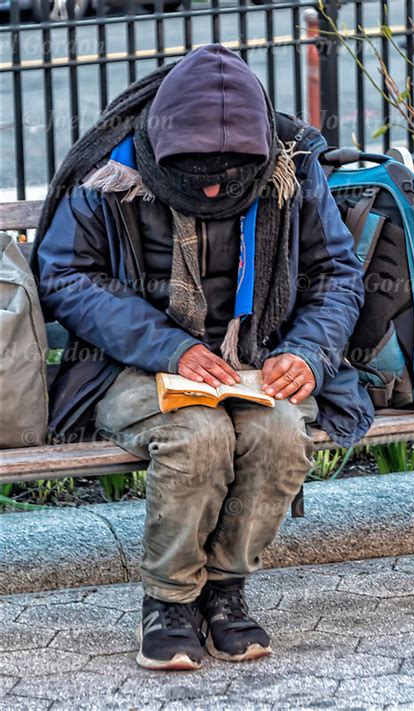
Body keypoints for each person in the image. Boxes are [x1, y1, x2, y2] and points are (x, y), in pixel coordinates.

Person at [36, 44, 374, 671]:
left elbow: (334, 273)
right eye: (199, 179)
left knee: (277, 430)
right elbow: (66, 276)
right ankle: (167, 602)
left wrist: (308, 353)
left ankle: (223, 591)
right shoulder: (111, 166)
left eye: (228, 178)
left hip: (258, 355)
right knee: (197, 434)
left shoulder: (290, 165)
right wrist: (170, 347)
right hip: (128, 361)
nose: (215, 188)